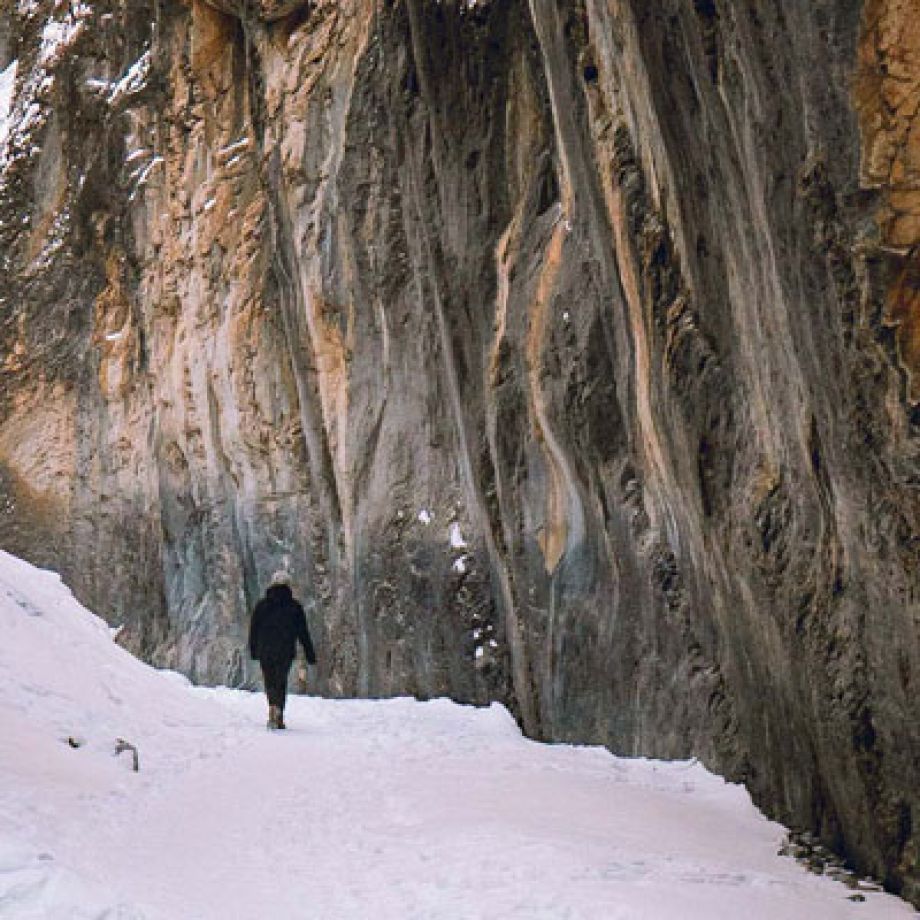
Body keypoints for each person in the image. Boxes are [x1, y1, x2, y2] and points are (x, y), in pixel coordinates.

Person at [248, 570, 317, 730]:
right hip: (285, 650)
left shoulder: (262, 606)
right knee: (281, 681)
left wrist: (253, 649)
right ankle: (278, 710)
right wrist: (310, 654)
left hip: (265, 649)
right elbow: (303, 632)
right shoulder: (295, 607)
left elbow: (254, 629)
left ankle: (272, 706)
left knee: (269, 680)